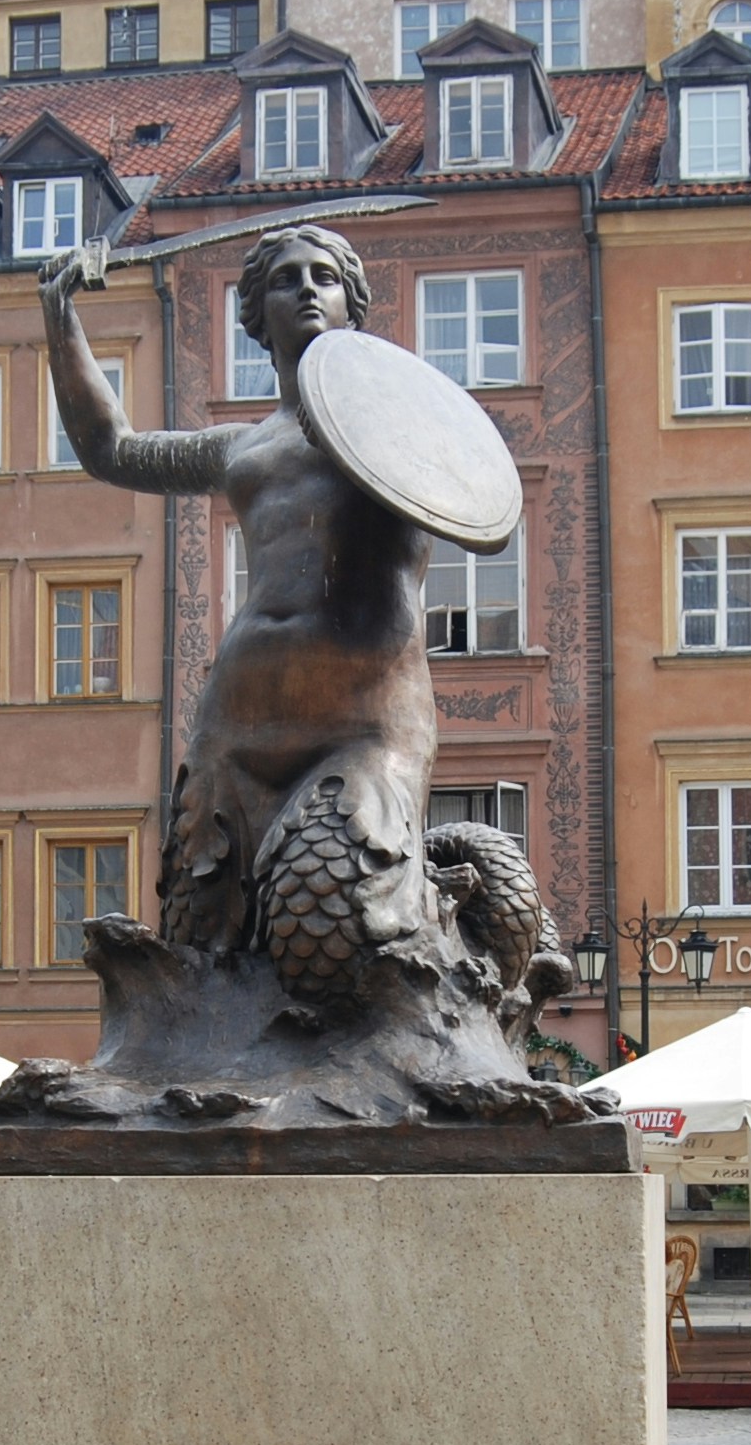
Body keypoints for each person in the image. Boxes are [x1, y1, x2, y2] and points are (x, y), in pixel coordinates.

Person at [42, 225, 447, 1003]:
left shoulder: (398, 431)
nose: (305, 289)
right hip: (236, 722)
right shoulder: (241, 447)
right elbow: (111, 449)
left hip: (362, 721)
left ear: (350, 307)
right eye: (285, 279)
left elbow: (475, 490)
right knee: (199, 949)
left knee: (327, 922)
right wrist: (60, 315)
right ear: (257, 315)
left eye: (324, 277)